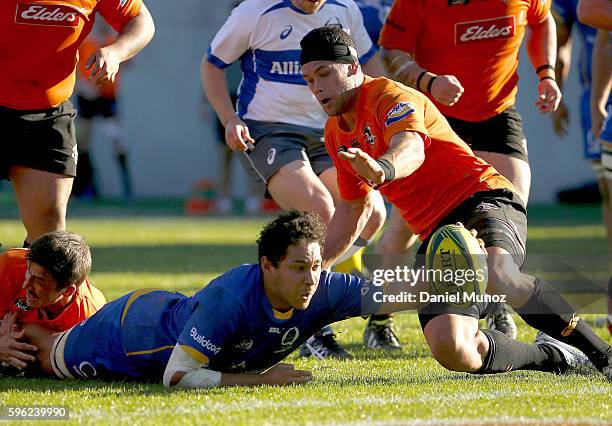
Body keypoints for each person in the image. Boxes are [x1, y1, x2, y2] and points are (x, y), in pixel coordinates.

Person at [300, 26, 612, 380]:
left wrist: (383, 168)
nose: (317, 87)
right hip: (438, 234)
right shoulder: (334, 134)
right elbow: (352, 209)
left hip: (482, 198)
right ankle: (552, 356)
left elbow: (411, 147)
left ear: (353, 67)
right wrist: (314, 267)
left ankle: (602, 354)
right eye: (309, 79)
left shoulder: (388, 95)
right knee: (453, 348)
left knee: (496, 273)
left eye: (324, 73)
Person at [16, 212, 594, 387]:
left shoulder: (318, 286)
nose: (313, 278)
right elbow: (177, 380)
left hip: (169, 308)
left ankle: (566, 351)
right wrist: (263, 382)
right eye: (299, 267)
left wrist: (455, 283)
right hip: (126, 330)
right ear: (267, 266)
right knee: (39, 354)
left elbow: (382, 291)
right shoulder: (231, 298)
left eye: (317, 265)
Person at [201, 0, 388, 357]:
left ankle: (316, 291)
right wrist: (229, 119)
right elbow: (211, 65)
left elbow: (370, 63)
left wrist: (383, 111)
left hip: (328, 129)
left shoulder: (344, 8)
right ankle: (312, 324)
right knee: (319, 207)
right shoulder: (254, 12)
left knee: (373, 212)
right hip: (267, 130)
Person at [1, 0, 154, 246]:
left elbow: (141, 21)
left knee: (48, 235)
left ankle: (31, 283)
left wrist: (117, 51)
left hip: (48, 116)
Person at [553, 0, 612, 335]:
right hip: (598, 97)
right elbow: (567, 36)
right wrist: (558, 90)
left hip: (599, 99)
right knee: (608, 192)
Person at [0, 231, 105, 370]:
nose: (26, 285)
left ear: (67, 290)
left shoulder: (88, 316)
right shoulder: (9, 266)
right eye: (28, 272)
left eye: (39, 280)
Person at [73, 22, 134, 201]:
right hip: (88, 97)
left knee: (117, 139)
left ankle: (127, 188)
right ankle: (87, 186)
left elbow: (127, 61)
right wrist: (84, 86)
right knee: (83, 141)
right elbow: (75, 70)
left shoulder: (112, 43)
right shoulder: (86, 44)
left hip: (107, 98)